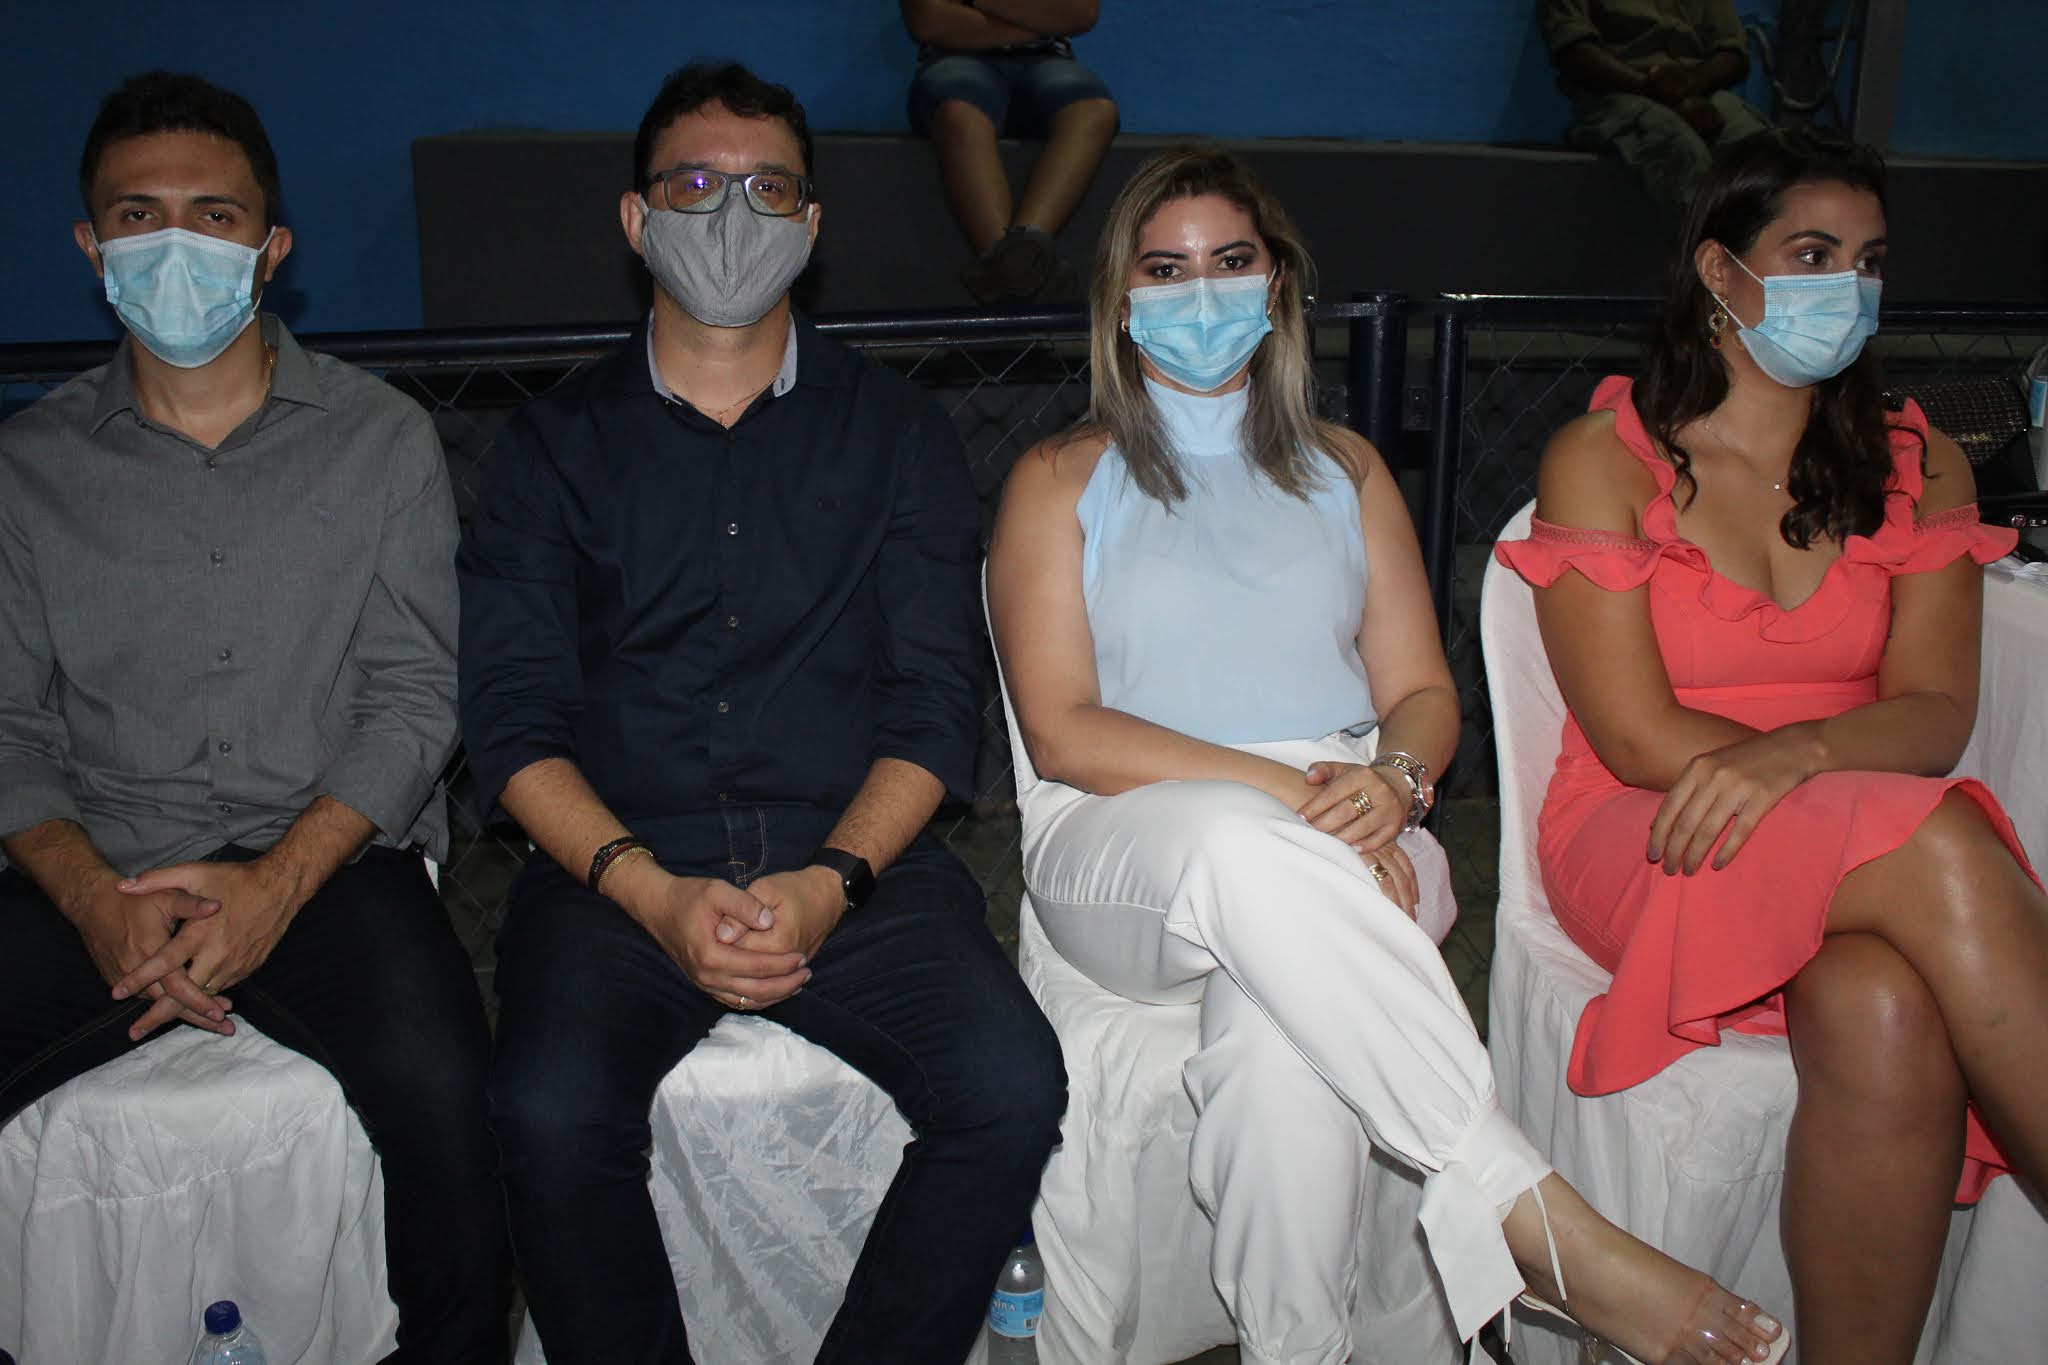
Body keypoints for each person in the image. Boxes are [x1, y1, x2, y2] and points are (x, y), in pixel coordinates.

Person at [987, 145, 1787, 1365]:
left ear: (1277, 282)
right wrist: (1293, 799)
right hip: (1128, 835)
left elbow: (1419, 693)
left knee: (1278, 1054)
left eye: (1230, 260)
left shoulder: (1348, 470)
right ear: (1119, 296)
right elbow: (1062, 731)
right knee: (1235, 847)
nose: (1201, 292)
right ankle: (1537, 1219)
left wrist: (1395, 783)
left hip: (1355, 818)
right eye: (1165, 269)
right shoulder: (1057, 479)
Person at [458, 61, 1067, 1365]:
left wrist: (832, 880)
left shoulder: (898, 432)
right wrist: (648, 892)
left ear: (811, 223)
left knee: (1010, 1087)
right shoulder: (550, 445)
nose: (732, 214)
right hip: (617, 864)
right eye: (694, 184)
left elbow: (932, 701)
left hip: (855, 857)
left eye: (768, 188)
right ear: (637, 220)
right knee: (546, 1108)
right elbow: (510, 721)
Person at [1496, 126, 2045, 1362]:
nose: (1844, 286)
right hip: (1656, 822)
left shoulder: (1916, 463)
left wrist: (1793, 756)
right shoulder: (1603, 457)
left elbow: (1931, 714)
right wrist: (1786, 764)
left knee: (1877, 1001)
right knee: (1942, 841)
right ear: (1718, 270)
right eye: (1808, 254)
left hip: (1842, 819)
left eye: (1867, 260)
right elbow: (1633, 733)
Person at [0, 72, 508, 1359]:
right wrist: (89, 898)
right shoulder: (27, 468)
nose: (175, 245)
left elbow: (416, 691)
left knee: (459, 1118)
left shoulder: (381, 439)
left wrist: (277, 886)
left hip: (326, 857)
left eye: (213, 216)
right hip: (100, 857)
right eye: (139, 215)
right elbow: (5, 722)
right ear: (91, 245)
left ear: (271, 248)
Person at [902, 0, 1119, 303]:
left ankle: (1015, 261)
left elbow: (1080, 13)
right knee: (958, 113)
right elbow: (929, 20)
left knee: (1095, 112)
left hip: (1047, 61)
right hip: (953, 59)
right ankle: (1022, 266)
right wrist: (1037, 22)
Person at [1541, 0, 1771, 235]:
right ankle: (1708, 252)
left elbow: (1733, 52)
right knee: (1677, 148)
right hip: (1616, 95)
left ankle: (1767, 251)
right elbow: (1574, 50)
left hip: (1699, 90)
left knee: (1760, 150)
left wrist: (1692, 82)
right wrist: (1653, 89)